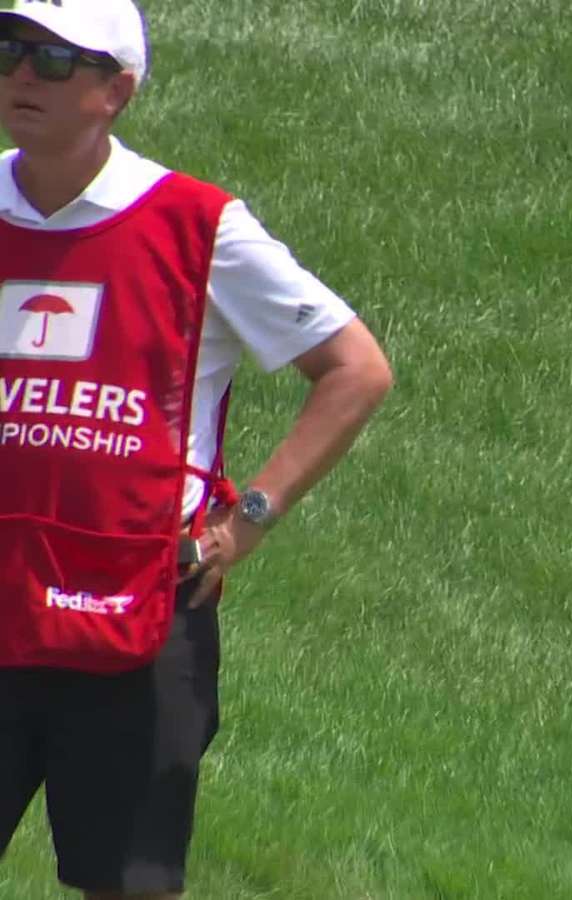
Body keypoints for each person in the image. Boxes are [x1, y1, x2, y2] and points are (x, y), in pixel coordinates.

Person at [0, 2, 392, 897]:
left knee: (127, 883)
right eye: (11, 49)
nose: (24, 73)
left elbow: (354, 369)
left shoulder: (198, 224)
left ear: (117, 90)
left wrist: (249, 518)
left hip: (136, 614)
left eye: (57, 60)